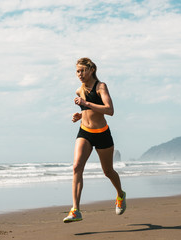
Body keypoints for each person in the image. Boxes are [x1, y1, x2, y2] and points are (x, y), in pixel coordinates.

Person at [63, 57, 126, 223]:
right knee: (76, 167)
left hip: (102, 133)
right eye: (77, 71)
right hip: (85, 132)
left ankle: (120, 194)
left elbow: (109, 110)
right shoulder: (79, 90)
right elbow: (87, 110)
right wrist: (80, 115)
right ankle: (75, 210)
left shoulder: (101, 87)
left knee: (108, 171)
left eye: (83, 70)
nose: (80, 74)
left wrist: (86, 104)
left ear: (91, 70)